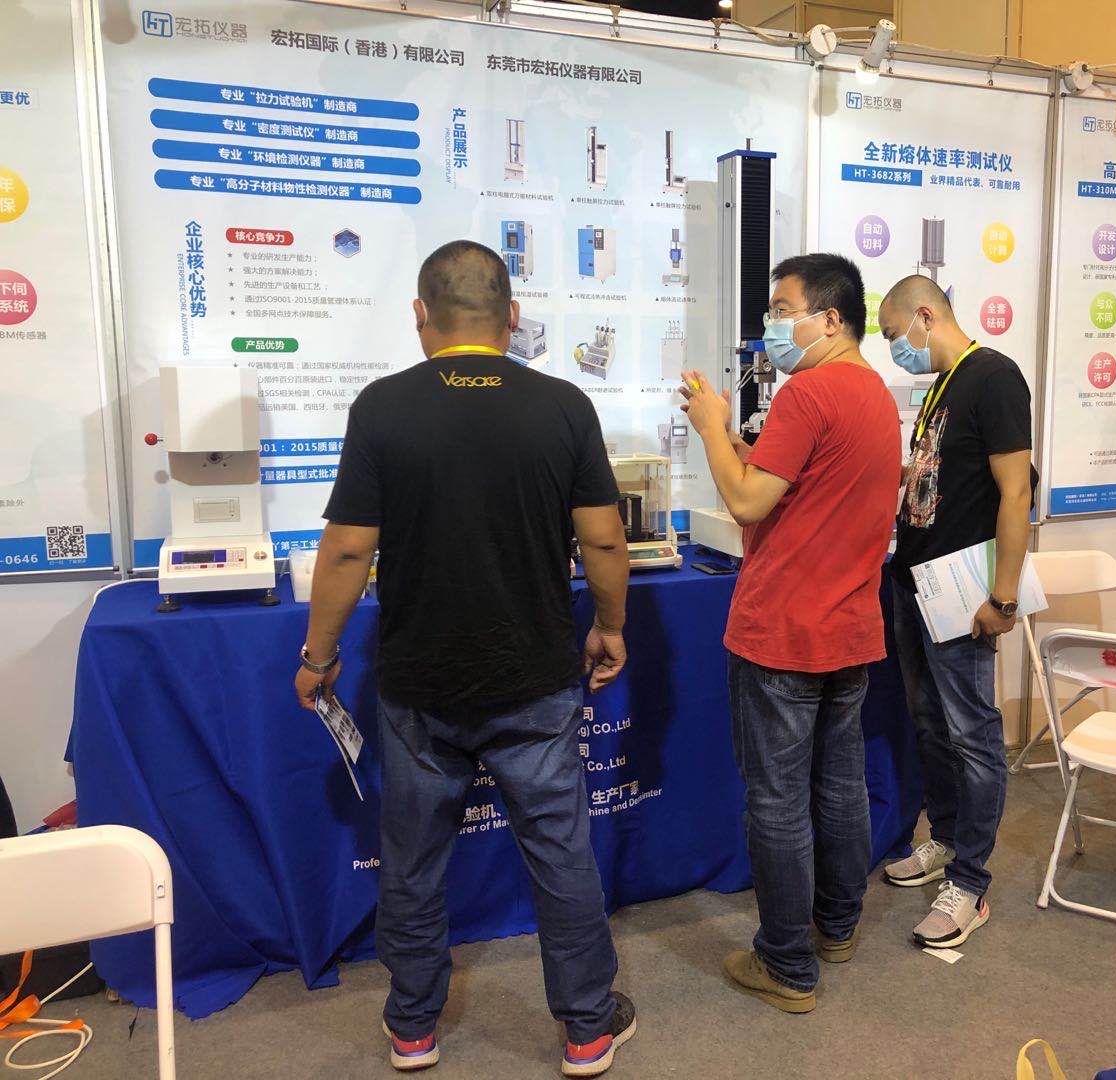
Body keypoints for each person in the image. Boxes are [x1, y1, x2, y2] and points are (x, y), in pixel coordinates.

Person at [293, 240, 636, 1076]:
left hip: (421, 685)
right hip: (534, 678)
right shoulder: (563, 405)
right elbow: (603, 537)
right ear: (512, 316)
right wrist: (611, 627)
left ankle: (413, 1027)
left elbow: (347, 551)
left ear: (421, 316)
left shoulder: (383, 408)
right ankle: (587, 1028)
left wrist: (318, 655)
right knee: (560, 853)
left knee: (413, 862)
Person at [679, 253, 901, 1014]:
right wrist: (737, 443)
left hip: (783, 632)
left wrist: (711, 430)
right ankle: (835, 927)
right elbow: (793, 485)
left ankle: (785, 963)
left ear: (830, 319)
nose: (772, 325)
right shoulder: (872, 393)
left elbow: (746, 503)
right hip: (847, 629)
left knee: (777, 800)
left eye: (782, 310)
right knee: (839, 786)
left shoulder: (806, 393)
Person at [875, 274, 1035, 950]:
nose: (895, 348)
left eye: (894, 335)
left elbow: (1016, 492)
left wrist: (1004, 595)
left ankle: (970, 882)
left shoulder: (994, 377)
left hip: (963, 592)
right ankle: (944, 837)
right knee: (930, 722)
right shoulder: (942, 385)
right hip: (915, 583)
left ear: (924, 314)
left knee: (973, 734)